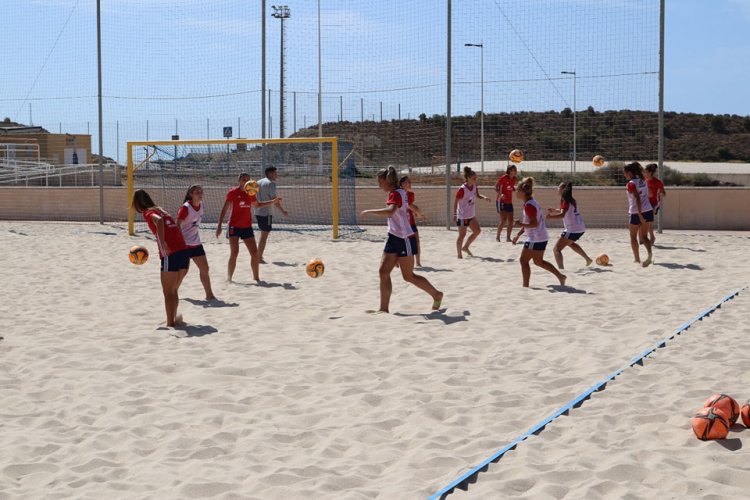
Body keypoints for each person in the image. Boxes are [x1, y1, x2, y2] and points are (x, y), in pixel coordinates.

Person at [360, 166, 443, 313]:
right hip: (393, 237)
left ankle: (436, 294)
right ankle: (383, 309)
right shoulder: (397, 192)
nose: (379, 186)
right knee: (383, 272)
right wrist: (417, 212)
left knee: (408, 276)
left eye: (380, 182)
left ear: (387, 181)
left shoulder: (395, 193)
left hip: (404, 238)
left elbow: (391, 211)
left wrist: (369, 211)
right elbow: (407, 208)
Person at [132, 189, 190, 327]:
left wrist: (163, 242)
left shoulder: (148, 212)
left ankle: (170, 323)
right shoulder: (160, 209)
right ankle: (174, 318)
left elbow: (159, 222)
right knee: (173, 290)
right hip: (184, 251)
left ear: (137, 203)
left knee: (168, 292)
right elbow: (171, 224)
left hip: (171, 253)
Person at [215, 172, 281, 282]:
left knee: (255, 253)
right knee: (234, 252)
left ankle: (257, 278)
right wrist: (219, 225)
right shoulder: (232, 192)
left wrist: (273, 202)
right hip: (234, 226)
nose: (245, 181)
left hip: (246, 227)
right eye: (243, 179)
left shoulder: (251, 193)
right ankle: (229, 278)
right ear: (239, 181)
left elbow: (258, 205)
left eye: (248, 180)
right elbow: (224, 209)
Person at [511, 177, 567, 288]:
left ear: (522, 192)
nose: (516, 192)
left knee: (523, 261)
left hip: (535, 238)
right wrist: (518, 235)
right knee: (538, 261)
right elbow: (529, 222)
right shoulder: (531, 202)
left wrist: (519, 224)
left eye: (517, 190)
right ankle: (560, 276)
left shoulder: (529, 205)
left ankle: (525, 286)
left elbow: (534, 224)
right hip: (541, 236)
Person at [176, 184, 217, 301]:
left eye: (201, 192)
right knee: (183, 271)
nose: (200, 194)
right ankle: (173, 292)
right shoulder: (185, 208)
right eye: (197, 192)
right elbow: (177, 225)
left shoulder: (202, 205)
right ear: (191, 194)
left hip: (196, 242)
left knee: (205, 268)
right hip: (184, 244)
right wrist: (180, 242)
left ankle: (209, 295)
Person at [546, 182, 593, 269]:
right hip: (580, 227)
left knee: (556, 249)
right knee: (570, 243)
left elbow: (562, 214)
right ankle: (588, 259)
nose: (557, 189)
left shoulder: (565, 200)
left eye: (559, 188)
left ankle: (561, 270)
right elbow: (565, 210)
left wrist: (550, 217)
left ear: (563, 190)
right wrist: (554, 210)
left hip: (572, 229)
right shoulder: (572, 200)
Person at [453, 166, 490, 258]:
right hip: (462, 215)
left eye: (476, 178)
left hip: (471, 215)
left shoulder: (474, 186)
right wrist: (454, 214)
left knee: (477, 231)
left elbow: (477, 195)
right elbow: (455, 201)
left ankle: (465, 247)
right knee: (462, 235)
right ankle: (459, 254)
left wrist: (484, 197)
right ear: (468, 178)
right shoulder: (462, 189)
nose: (475, 180)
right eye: (474, 178)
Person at [255, 166, 289, 264]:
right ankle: (258, 257)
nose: (276, 175)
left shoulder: (258, 182)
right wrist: (283, 211)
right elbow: (274, 201)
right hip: (266, 213)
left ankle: (258, 256)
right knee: (264, 236)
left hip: (257, 212)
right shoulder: (271, 184)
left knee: (263, 234)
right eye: (275, 173)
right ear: (270, 173)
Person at [623, 161, 654, 267]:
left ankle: (637, 259)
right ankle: (650, 255)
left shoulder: (631, 184)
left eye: (625, 173)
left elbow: (637, 199)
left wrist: (640, 215)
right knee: (644, 236)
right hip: (648, 210)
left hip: (637, 212)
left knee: (633, 236)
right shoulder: (643, 180)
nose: (624, 175)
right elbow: (649, 194)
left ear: (630, 172)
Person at [399, 175, 424, 267]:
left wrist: (418, 214)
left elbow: (411, 206)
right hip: (402, 224)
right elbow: (410, 206)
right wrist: (419, 212)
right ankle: (399, 261)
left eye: (410, 182)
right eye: (408, 182)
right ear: (402, 184)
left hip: (411, 222)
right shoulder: (398, 194)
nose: (410, 183)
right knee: (402, 244)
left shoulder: (410, 194)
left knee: (417, 241)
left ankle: (418, 262)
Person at [643, 163, 666, 246]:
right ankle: (649, 237)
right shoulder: (644, 181)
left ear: (650, 172)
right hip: (645, 203)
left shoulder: (657, 182)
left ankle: (651, 237)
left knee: (648, 220)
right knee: (646, 221)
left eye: (645, 172)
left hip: (654, 203)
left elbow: (663, 192)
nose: (643, 173)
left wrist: (661, 192)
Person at [494, 164, 517, 242]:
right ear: (509, 170)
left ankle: (508, 238)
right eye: (513, 170)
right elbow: (495, 187)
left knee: (511, 220)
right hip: (501, 201)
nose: (515, 171)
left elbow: (510, 187)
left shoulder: (514, 179)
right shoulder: (503, 178)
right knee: (503, 220)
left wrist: (514, 189)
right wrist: (501, 194)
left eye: (515, 170)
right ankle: (498, 236)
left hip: (509, 201)